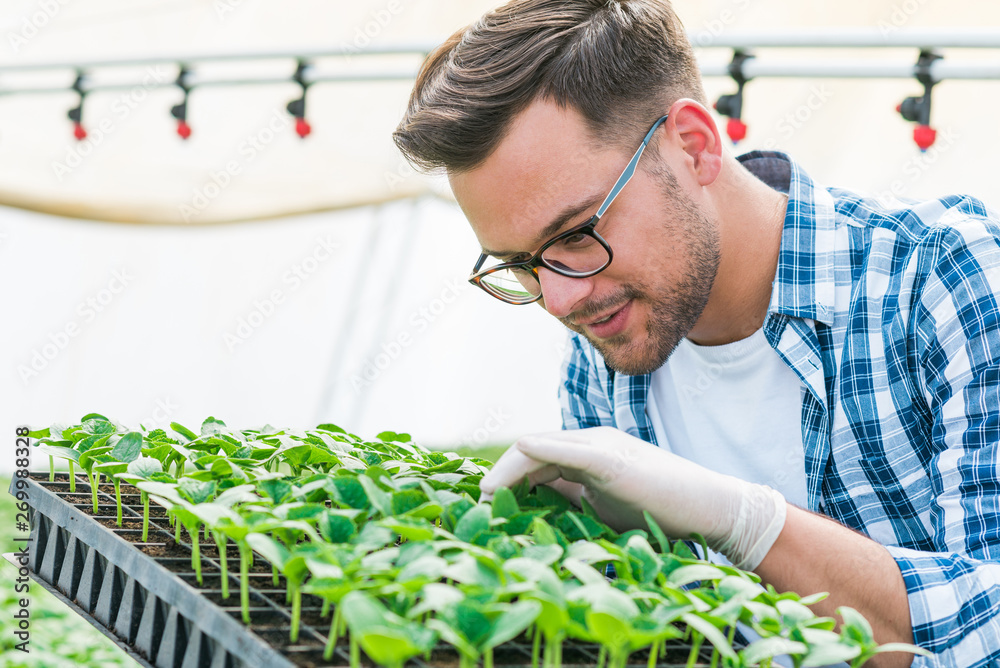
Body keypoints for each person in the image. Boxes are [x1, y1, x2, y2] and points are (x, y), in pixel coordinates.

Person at [392, 1, 1000, 666]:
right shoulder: (600, 356)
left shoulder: (941, 278)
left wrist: (747, 524)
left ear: (693, 144)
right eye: (521, 264)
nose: (560, 299)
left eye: (575, 234)